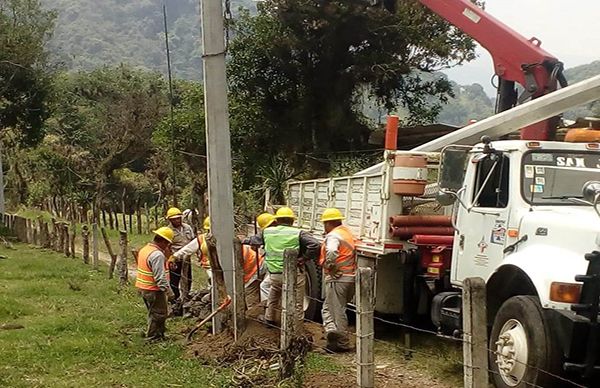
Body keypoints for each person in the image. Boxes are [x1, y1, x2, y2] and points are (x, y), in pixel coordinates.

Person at [262, 207, 319, 327]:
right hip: (293, 274)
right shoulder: (298, 233)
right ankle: (296, 326)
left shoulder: (267, 232)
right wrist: (303, 259)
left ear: (277, 220)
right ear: (292, 221)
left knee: (274, 293)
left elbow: (252, 240)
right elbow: (314, 244)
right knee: (298, 300)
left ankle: (269, 319)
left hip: (275, 274)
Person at [319, 208, 357, 352]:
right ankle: (331, 333)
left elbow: (332, 251)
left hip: (338, 278)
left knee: (336, 311)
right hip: (349, 277)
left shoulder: (333, 236)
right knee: (328, 308)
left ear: (329, 223)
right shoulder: (346, 233)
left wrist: (330, 266)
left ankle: (341, 342)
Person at [135, 227, 176, 341]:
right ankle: (153, 337)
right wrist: (170, 293)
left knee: (153, 312)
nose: (168, 247)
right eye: (168, 244)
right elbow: (160, 278)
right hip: (153, 289)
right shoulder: (157, 255)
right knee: (159, 314)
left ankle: (158, 334)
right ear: (163, 241)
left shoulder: (145, 249)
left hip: (144, 287)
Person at [165, 207, 195, 304]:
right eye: (174, 219)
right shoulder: (168, 231)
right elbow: (167, 247)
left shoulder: (187, 228)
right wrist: (170, 259)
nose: (177, 220)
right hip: (175, 258)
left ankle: (186, 296)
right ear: (170, 220)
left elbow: (193, 241)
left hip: (186, 258)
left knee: (188, 278)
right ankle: (175, 301)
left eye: (178, 218)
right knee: (174, 280)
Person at [172, 216, 211, 287]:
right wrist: (175, 256)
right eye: (208, 230)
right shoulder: (202, 238)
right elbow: (188, 249)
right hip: (209, 268)